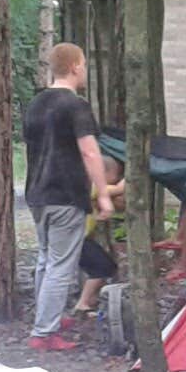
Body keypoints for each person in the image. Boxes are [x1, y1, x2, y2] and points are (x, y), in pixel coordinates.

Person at [22, 42, 113, 351]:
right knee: (61, 264)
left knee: (47, 259)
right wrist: (103, 194)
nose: (85, 70)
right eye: (84, 64)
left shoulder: (35, 104)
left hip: (37, 193)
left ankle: (47, 317)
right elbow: (89, 151)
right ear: (75, 66)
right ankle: (44, 332)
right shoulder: (75, 105)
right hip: (65, 193)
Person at [73, 159, 126, 319]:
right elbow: (118, 189)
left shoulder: (85, 186)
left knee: (104, 267)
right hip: (78, 240)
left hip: (81, 239)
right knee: (103, 268)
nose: (115, 180)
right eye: (114, 176)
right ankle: (83, 303)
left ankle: (90, 300)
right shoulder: (93, 186)